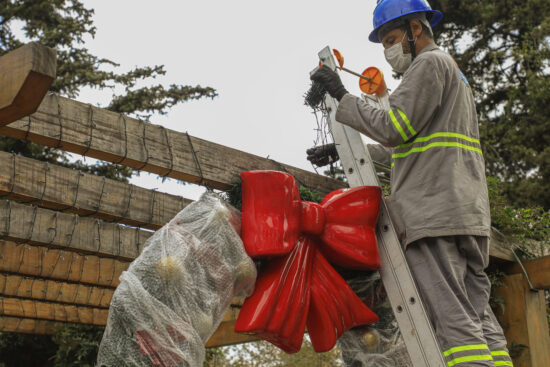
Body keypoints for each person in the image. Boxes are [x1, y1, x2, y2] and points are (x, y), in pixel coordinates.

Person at [310, 0, 513, 366]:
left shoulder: (428, 64)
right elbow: (409, 148)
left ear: (415, 29)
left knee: (453, 326)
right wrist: (345, 151)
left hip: (433, 214)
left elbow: (394, 128)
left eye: (390, 38)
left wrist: (342, 96)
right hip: (465, 213)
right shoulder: (453, 73)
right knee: (478, 321)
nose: (388, 51)